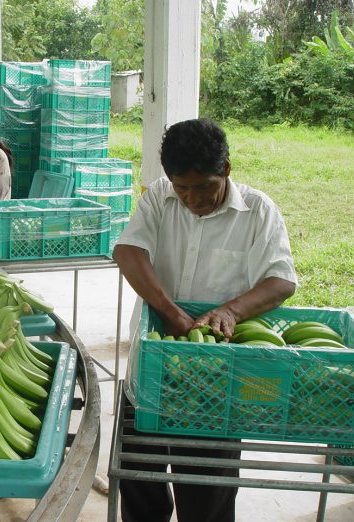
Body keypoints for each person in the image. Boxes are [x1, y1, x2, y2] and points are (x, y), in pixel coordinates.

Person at [112, 118, 297, 522]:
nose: (192, 200)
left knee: (207, 485)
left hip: (219, 376)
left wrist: (230, 310)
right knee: (139, 477)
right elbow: (128, 252)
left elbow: (281, 281)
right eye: (183, 188)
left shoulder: (257, 212)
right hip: (154, 365)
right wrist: (172, 312)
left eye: (203, 188)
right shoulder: (159, 199)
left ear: (225, 169)